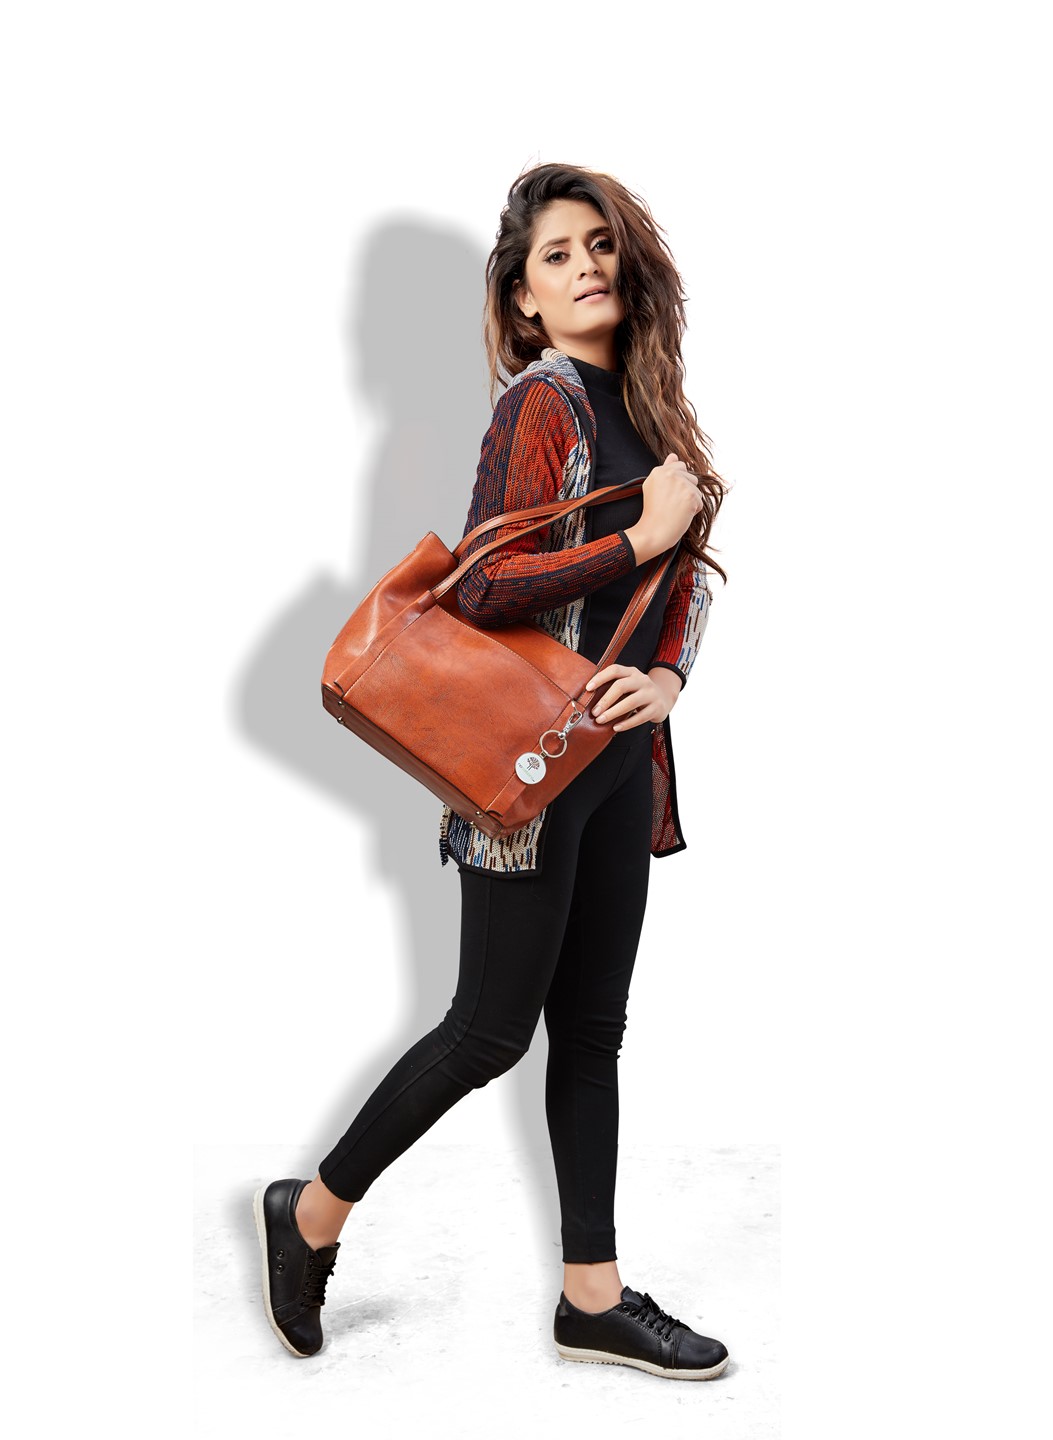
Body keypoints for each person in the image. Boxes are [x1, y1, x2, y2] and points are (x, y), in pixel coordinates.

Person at [254, 162, 731, 1380]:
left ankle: (591, 1295)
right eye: (556, 256)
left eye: (599, 245)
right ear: (523, 298)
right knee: (486, 1030)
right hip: (524, 765)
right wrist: (638, 534)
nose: (586, 267)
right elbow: (482, 586)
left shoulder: (657, 409)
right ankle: (312, 1213)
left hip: (621, 760)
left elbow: (685, 582)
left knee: (593, 1032)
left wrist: (668, 681)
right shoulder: (542, 403)